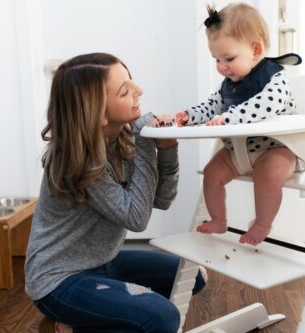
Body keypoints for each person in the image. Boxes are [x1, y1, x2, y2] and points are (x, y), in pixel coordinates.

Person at [25, 52, 207, 333]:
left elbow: (161, 200)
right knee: (162, 318)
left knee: (195, 276)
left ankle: (78, 324)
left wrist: (167, 149)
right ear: (97, 114)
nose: (139, 91)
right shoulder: (76, 159)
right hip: (60, 281)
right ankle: (73, 321)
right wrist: (146, 143)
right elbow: (136, 219)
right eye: (125, 91)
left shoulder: (122, 136)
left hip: (104, 262)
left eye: (131, 81)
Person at [175, 3, 301, 246]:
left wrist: (229, 118)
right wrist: (190, 116)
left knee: (268, 177)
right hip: (238, 151)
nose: (222, 67)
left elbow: (267, 104)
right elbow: (212, 105)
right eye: (217, 60)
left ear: (256, 50)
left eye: (229, 58)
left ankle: (262, 224)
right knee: (211, 173)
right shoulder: (229, 84)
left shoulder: (274, 78)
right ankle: (218, 219)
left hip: (276, 150)